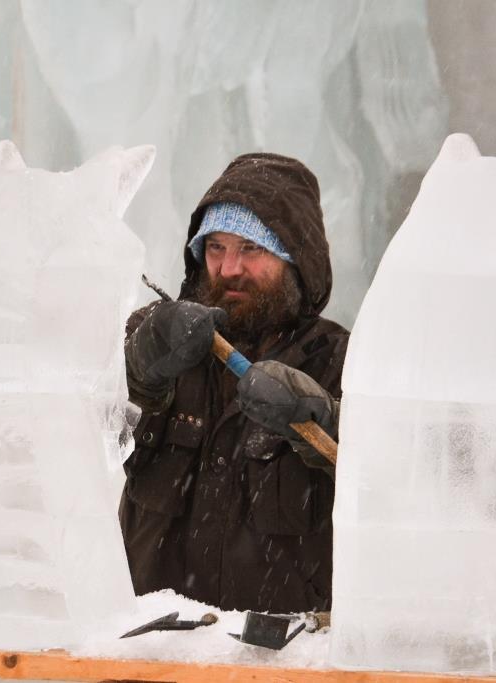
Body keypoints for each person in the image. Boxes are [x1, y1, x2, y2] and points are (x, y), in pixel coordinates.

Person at [118, 152, 349, 613]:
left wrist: (323, 416)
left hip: (279, 660)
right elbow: (81, 433)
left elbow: (391, 481)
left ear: (295, 260)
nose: (228, 269)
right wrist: (139, 369)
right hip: (149, 653)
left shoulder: (341, 360)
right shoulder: (159, 336)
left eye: (251, 249)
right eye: (216, 247)